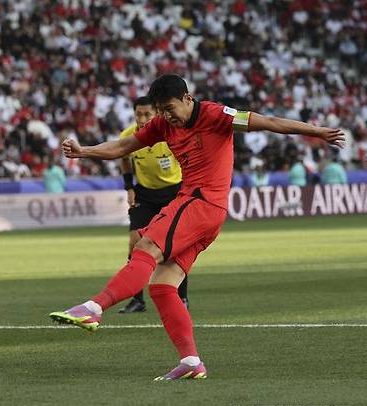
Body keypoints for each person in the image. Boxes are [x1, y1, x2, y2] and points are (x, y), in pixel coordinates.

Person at [50, 74, 344, 380]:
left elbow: (270, 121)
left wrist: (317, 132)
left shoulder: (217, 115)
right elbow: (124, 146)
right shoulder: (164, 124)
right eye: (160, 110)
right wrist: (84, 151)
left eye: (169, 108)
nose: (165, 116)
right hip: (206, 212)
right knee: (163, 285)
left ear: (187, 99)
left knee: (145, 247)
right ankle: (191, 362)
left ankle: (93, 308)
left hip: (200, 202)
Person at [117, 96, 188, 314]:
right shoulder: (128, 136)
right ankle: (137, 300)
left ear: (157, 114)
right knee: (135, 243)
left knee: (174, 248)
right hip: (145, 195)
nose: (143, 119)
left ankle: (182, 297)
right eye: (138, 114)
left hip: (173, 193)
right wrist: (129, 186)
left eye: (148, 114)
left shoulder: (170, 133)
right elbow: (124, 158)